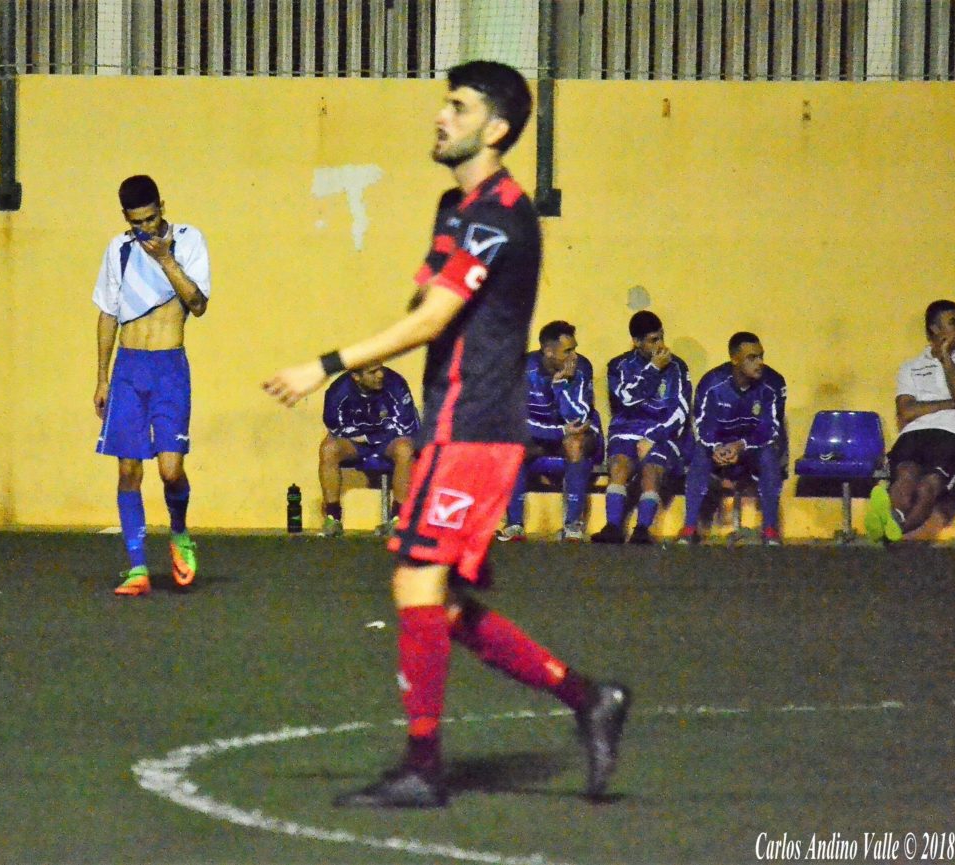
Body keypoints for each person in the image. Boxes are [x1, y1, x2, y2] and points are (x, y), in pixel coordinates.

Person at [263, 60, 630, 808]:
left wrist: (323, 366)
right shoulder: (455, 207)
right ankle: (590, 698)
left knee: (416, 580)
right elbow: (432, 299)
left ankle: (424, 766)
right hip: (454, 424)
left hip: (478, 427)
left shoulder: (501, 213)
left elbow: (432, 319)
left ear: (496, 129)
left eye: (457, 107)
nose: (440, 116)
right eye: (444, 103)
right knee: (440, 602)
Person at [93, 175, 210, 597]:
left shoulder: (188, 240)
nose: (145, 228)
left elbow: (198, 304)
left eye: (150, 218)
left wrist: (166, 260)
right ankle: (138, 566)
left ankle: (179, 532)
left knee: (170, 470)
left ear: (162, 206)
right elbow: (108, 313)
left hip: (168, 368)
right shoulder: (118, 250)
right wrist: (102, 377)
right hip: (129, 368)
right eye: (136, 222)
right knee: (128, 470)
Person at [866, 299, 955, 543]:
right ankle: (893, 524)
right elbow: (907, 411)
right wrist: (950, 403)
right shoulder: (911, 367)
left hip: (953, 434)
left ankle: (890, 524)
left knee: (927, 488)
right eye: (953, 322)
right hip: (914, 433)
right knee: (906, 477)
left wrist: (945, 357)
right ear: (935, 328)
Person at [592, 310, 692, 545]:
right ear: (636, 342)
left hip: (662, 433)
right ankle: (613, 527)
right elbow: (627, 400)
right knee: (619, 466)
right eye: (653, 340)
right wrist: (653, 370)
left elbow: (681, 411)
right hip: (625, 430)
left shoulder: (678, 367)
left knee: (651, 470)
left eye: (661, 337)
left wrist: (654, 437)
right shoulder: (618, 366)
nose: (661, 345)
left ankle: (642, 529)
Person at [677, 332, 787, 546]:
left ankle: (770, 529)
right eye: (752, 358)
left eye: (761, 356)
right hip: (720, 449)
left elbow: (770, 428)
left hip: (750, 448)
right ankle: (689, 528)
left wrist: (741, 446)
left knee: (768, 456)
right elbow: (702, 424)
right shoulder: (712, 383)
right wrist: (717, 447)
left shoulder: (773, 384)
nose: (759, 363)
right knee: (700, 454)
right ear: (735, 359)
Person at [497, 320, 602, 543]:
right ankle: (514, 525)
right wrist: (560, 431)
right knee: (512, 445)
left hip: (578, 438)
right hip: (541, 437)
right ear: (548, 351)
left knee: (575, 442)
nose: (574, 356)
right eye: (567, 351)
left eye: (574, 349)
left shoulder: (582, 367)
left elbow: (579, 419)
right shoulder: (522, 370)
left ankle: (572, 527)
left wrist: (561, 386)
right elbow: (518, 423)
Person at [320, 364, 420, 537]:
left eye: (381, 369)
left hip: (388, 443)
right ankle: (333, 518)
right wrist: (377, 432)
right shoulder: (337, 391)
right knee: (328, 449)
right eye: (372, 372)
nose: (380, 375)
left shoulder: (396, 384)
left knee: (405, 449)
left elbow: (406, 425)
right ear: (356, 376)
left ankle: (399, 520)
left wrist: (368, 437)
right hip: (357, 445)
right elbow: (336, 428)